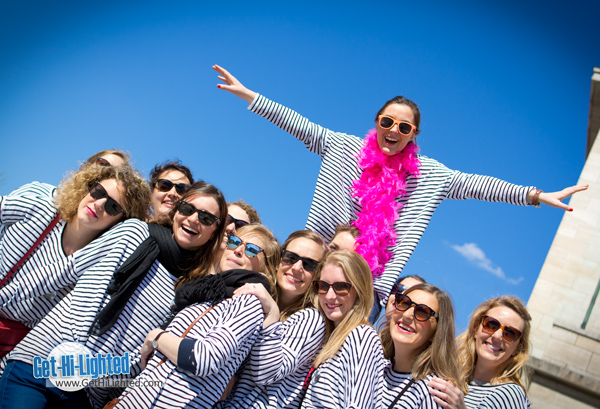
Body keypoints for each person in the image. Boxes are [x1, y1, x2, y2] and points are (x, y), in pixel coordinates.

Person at [214, 64, 588, 314]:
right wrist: (249, 96)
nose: (393, 130)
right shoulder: (342, 146)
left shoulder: (431, 176)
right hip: (312, 269)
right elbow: (299, 124)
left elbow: (480, 185)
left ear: (414, 135)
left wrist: (537, 195)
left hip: (365, 288)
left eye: (404, 127)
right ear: (377, 122)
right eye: (387, 121)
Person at [0, 182, 227, 409]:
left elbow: (147, 355)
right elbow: (67, 271)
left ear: (214, 232)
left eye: (207, 218)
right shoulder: (135, 232)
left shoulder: (192, 288)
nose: (194, 219)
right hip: (42, 361)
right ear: (177, 211)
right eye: (188, 209)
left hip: (87, 394)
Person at [112, 224, 280, 409]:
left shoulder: (249, 303)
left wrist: (157, 337)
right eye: (234, 242)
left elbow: (204, 358)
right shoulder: (209, 295)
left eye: (251, 249)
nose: (239, 250)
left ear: (267, 269)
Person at [0, 165, 150, 333]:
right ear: (88, 188)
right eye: (99, 192)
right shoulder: (43, 209)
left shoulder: (97, 269)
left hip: (14, 345)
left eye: (113, 206)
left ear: (121, 221)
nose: (99, 204)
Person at [218, 230, 327, 409]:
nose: (297, 267)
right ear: (278, 262)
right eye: (291, 257)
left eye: (309, 264)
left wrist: (272, 313)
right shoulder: (256, 302)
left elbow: (265, 373)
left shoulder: (312, 319)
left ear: (317, 276)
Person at [301, 250, 384, 409]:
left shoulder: (362, 336)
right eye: (323, 286)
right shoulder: (331, 337)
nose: (330, 296)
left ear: (360, 291)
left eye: (341, 287)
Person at [428, 296, 532, 409]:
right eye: (491, 324)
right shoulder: (452, 378)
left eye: (510, 334)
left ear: (517, 348)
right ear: (476, 329)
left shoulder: (510, 395)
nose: (497, 336)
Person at [379, 282, 464, 408]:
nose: (407, 315)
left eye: (423, 312)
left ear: (437, 332)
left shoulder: (432, 392)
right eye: (404, 302)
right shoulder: (376, 367)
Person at [8, 148, 130, 199]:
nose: (107, 173)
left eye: (115, 174)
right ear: (85, 167)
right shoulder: (35, 193)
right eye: (103, 164)